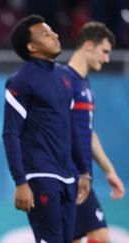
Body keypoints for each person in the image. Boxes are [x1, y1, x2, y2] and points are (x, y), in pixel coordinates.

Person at [2, 15, 92, 243]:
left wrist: (84, 170)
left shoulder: (65, 77)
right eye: (46, 34)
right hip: (40, 175)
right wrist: (20, 181)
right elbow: (11, 133)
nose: (55, 36)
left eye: (52, 31)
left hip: (68, 175)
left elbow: (71, 127)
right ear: (32, 46)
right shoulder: (20, 81)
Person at [64, 21, 126, 243]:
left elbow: (87, 132)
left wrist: (109, 171)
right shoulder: (64, 81)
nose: (107, 59)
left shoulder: (84, 84)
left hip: (80, 176)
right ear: (89, 45)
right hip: (67, 175)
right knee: (100, 236)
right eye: (105, 51)